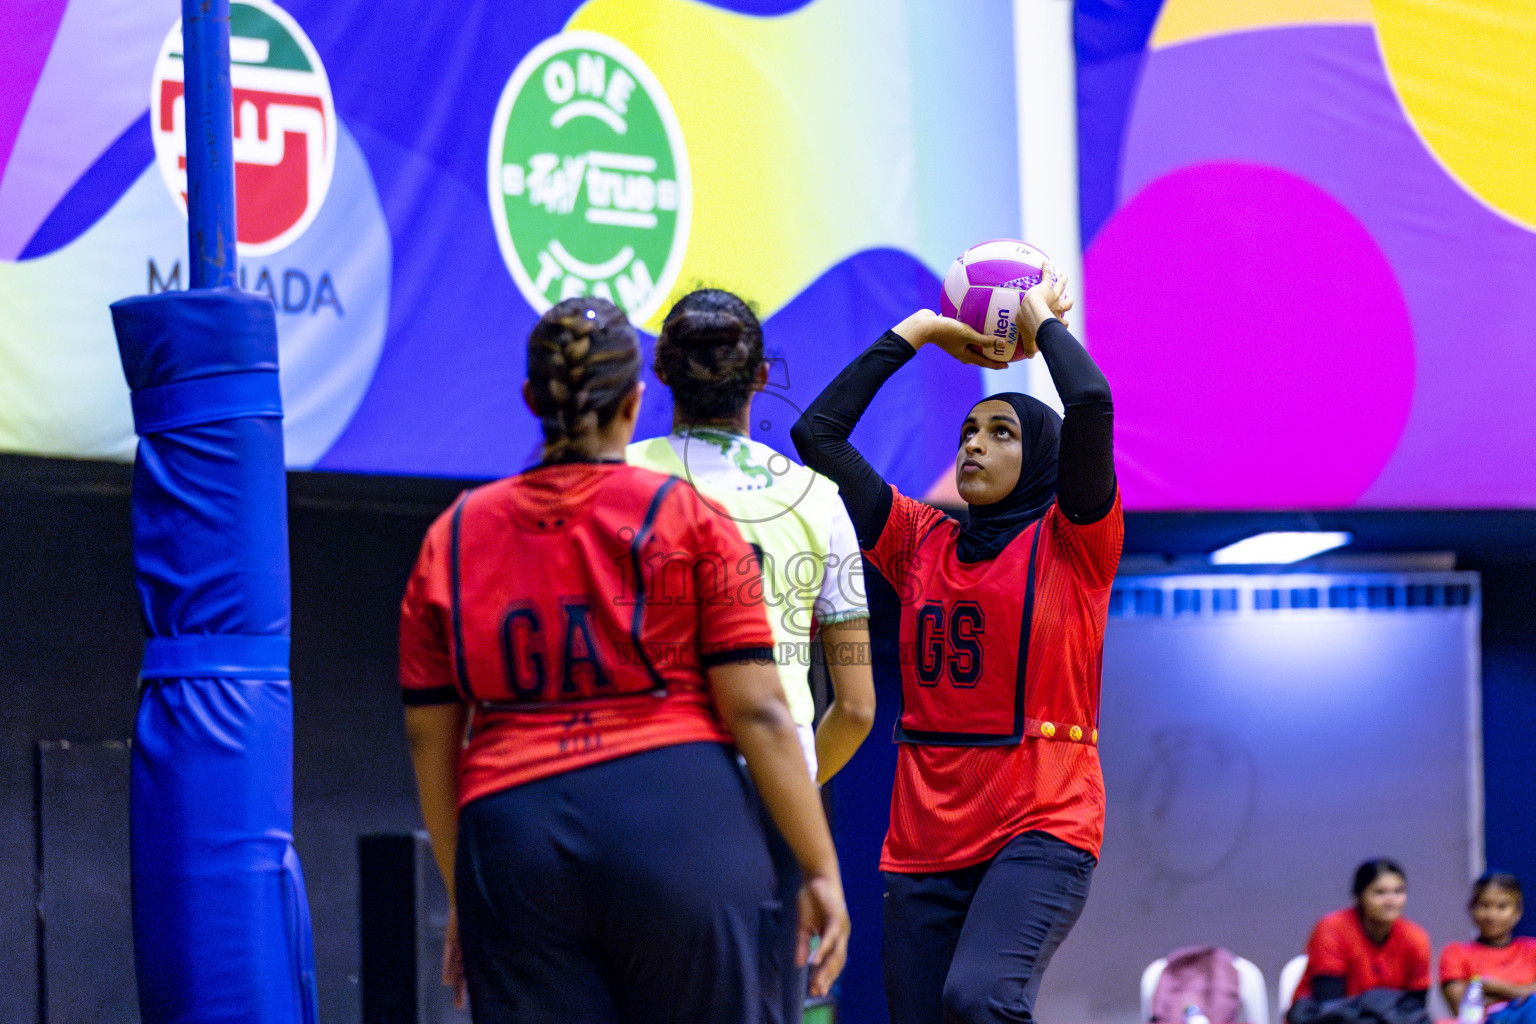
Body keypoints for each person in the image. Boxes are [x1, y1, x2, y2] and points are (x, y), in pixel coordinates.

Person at [398, 297, 848, 1024]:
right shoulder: (687, 516)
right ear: (636, 402)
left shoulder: (451, 535)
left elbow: (430, 741)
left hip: (516, 838)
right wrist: (820, 866)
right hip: (678, 824)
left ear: (528, 400)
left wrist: (466, 893)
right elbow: (759, 709)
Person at [792, 265, 1121, 1024]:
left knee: (979, 999)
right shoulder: (918, 541)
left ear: (1037, 455)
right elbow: (818, 434)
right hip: (924, 834)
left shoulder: (1075, 544)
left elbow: (1092, 401)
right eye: (969, 430)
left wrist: (1042, 327)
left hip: (1041, 820)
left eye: (1000, 432)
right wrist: (923, 331)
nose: (975, 444)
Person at [628, 287, 875, 786]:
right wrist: (794, 790)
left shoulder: (614, 478)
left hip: (641, 772)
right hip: (771, 773)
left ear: (660, 373)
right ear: (761, 375)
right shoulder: (817, 497)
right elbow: (855, 709)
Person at [1290, 859, 1431, 1014]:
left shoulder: (1416, 937)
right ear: (1360, 895)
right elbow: (1329, 1005)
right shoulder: (1332, 928)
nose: (1391, 901)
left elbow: (1416, 1008)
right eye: (1380, 892)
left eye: (1398, 891)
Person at [1440, 872, 1536, 1015]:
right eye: (1484, 905)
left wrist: (1491, 987)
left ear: (1517, 911)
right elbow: (1464, 1010)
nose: (1492, 915)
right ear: (1471, 908)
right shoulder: (1455, 953)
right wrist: (1526, 992)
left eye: (1502, 907)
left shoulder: (1531, 949)